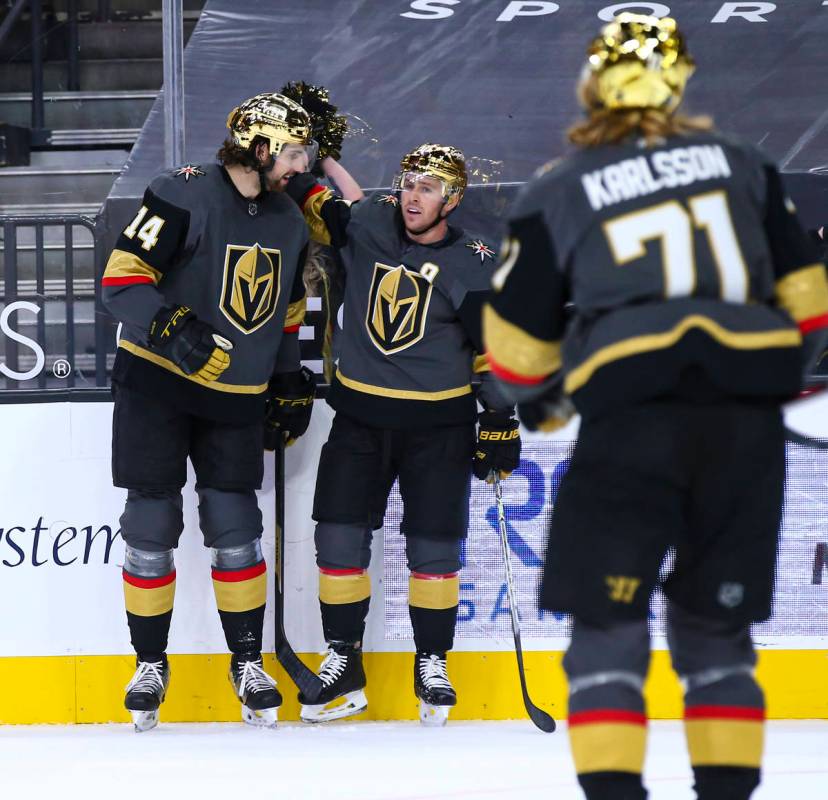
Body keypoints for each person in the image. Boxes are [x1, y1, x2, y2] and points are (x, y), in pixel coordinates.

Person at [483, 14, 828, 800]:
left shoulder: (560, 186)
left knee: (607, 632)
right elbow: (811, 306)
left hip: (632, 422)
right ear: (681, 81)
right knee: (717, 636)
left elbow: (514, 353)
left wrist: (543, 399)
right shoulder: (745, 164)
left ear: (592, 87)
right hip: (743, 429)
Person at [101, 92, 317, 731]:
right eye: (294, 151)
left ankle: (247, 662)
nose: (300, 164)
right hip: (158, 384)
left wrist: (286, 379)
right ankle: (149, 662)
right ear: (260, 146)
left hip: (236, 395)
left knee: (234, 523)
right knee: (150, 519)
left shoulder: (290, 220)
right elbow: (120, 281)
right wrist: (170, 323)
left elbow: (287, 311)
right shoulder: (180, 190)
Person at [284, 143, 520, 725]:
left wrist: (499, 419)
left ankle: (432, 662)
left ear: (453, 200)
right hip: (360, 419)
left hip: (438, 427)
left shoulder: (472, 260)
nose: (414, 196)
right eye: (410, 183)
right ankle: (344, 659)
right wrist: (307, 156)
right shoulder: (368, 225)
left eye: (429, 188)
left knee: (434, 552)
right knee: (338, 542)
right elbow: (318, 202)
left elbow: (494, 350)